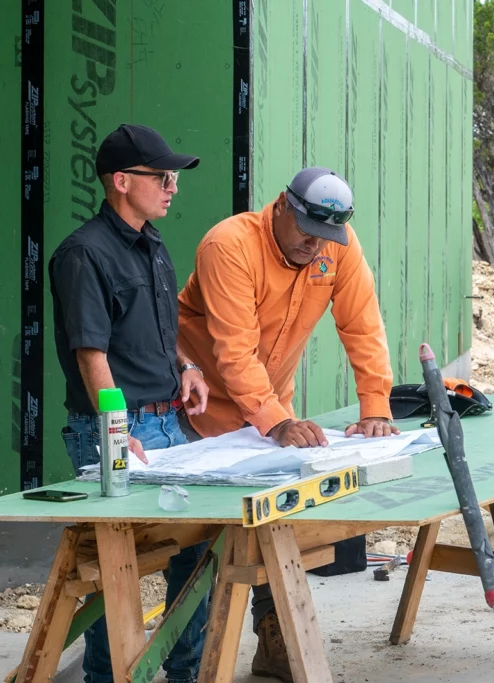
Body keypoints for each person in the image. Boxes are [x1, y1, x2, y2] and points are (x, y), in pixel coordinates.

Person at [177, 166, 398, 682]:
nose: (313, 245)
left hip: (269, 410)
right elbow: (234, 352)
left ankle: (272, 638)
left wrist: (376, 407)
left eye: (325, 237)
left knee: (275, 522)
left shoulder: (336, 244)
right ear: (281, 206)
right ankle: (188, 656)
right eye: (305, 231)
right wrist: (276, 422)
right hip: (198, 406)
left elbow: (363, 324)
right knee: (197, 540)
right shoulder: (228, 245)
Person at [48, 123, 211, 683]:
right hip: (122, 431)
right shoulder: (84, 255)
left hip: (170, 423)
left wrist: (186, 368)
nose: (173, 187)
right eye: (162, 176)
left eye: (173, 178)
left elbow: (159, 334)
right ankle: (107, 676)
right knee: (112, 568)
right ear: (121, 181)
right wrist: (117, 431)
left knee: (197, 554)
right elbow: (92, 354)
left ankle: (183, 674)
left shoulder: (154, 245)